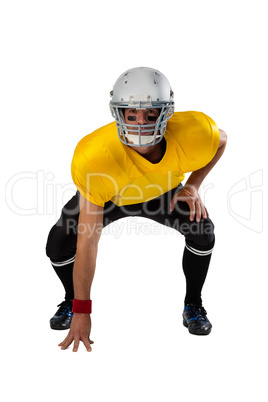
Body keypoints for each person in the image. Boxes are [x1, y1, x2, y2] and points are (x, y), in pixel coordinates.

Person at [46, 66, 227, 351]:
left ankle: (193, 304)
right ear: (118, 114)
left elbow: (221, 141)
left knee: (203, 231)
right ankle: (70, 300)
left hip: (164, 191)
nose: (141, 123)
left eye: (150, 114)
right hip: (110, 197)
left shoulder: (195, 132)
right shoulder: (94, 156)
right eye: (132, 115)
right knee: (58, 244)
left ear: (166, 112)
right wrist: (83, 308)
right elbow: (88, 240)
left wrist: (193, 185)